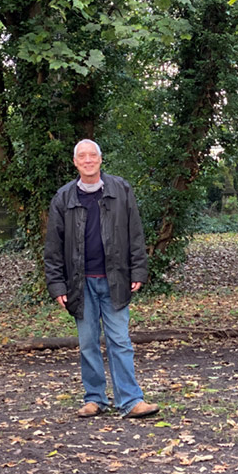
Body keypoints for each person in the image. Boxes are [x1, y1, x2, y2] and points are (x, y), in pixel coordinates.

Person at [44, 139, 159, 419]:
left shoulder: (121, 189)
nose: (87, 160)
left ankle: (131, 400)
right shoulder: (63, 197)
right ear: (75, 162)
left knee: (120, 341)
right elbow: (53, 246)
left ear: (100, 159)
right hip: (79, 284)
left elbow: (135, 232)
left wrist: (138, 270)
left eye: (92, 155)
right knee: (88, 343)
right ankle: (94, 398)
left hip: (116, 279)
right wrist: (57, 284)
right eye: (81, 156)